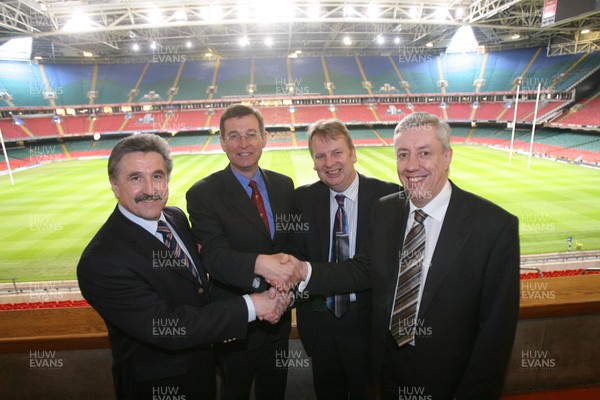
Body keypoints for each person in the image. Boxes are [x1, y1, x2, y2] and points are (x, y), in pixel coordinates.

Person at [286, 112, 520, 399]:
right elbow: (362, 269)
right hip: (388, 366)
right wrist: (301, 271)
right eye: (403, 154)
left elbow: (496, 334)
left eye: (424, 153)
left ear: (447, 156)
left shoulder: (494, 226)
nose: (411, 166)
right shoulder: (387, 209)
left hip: (450, 375)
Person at [77, 133, 289, 400]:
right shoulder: (101, 261)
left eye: (157, 176)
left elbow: (197, 287)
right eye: (135, 178)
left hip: (202, 373)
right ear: (114, 185)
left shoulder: (175, 217)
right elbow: (167, 327)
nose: (150, 189)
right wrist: (253, 305)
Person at [186, 105, 298, 400]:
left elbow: (292, 248)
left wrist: (285, 294)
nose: (243, 143)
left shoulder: (285, 186)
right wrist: (265, 268)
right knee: (234, 393)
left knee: (275, 392)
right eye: (234, 136)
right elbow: (215, 257)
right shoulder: (203, 193)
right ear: (222, 142)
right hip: (236, 325)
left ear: (264, 138)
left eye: (250, 134)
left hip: (280, 320)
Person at [292, 119, 398, 400]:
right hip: (320, 325)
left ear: (353, 153)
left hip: (369, 324)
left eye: (337, 153)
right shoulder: (301, 200)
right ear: (313, 162)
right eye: (320, 156)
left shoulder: (389, 197)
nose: (330, 163)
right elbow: (293, 256)